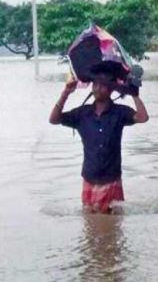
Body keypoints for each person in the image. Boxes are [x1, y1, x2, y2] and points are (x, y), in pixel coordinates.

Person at [49, 62, 149, 214]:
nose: (97, 88)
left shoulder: (120, 113)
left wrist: (134, 94)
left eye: (102, 85)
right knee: (90, 226)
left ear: (111, 90)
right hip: (89, 177)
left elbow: (143, 117)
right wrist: (66, 93)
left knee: (113, 225)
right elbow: (54, 120)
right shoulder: (82, 114)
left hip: (112, 179)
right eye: (95, 84)